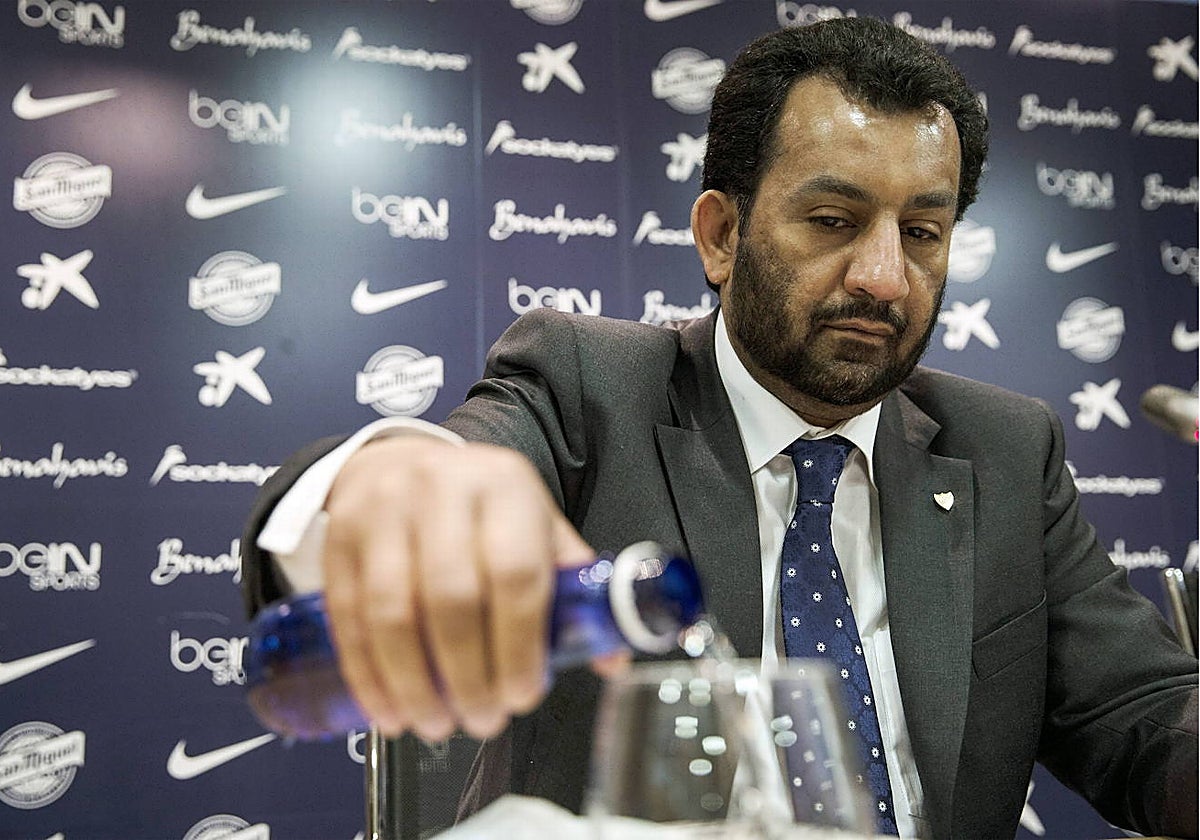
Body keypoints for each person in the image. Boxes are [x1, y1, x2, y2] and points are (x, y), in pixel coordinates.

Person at [242, 17, 1199, 839]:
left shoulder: (1003, 445)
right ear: (719, 235)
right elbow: (438, 477)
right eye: (832, 219)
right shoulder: (589, 386)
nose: (882, 277)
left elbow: (1142, 710)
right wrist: (393, 478)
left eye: (921, 232)